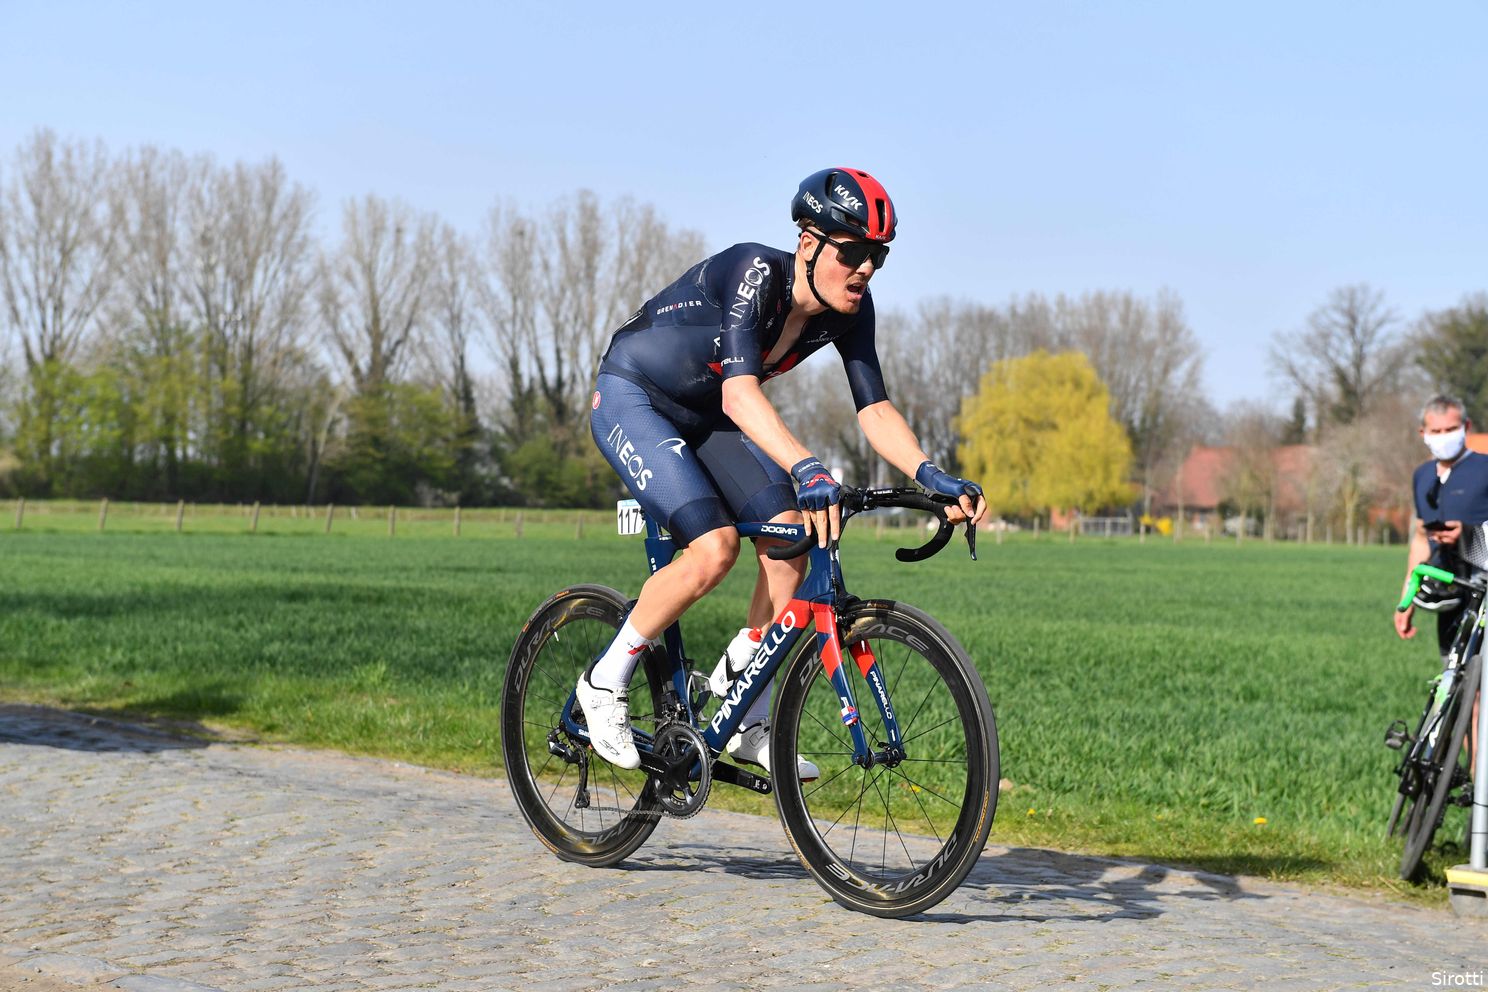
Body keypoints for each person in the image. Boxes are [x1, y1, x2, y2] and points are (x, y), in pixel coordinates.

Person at [579, 167, 988, 777]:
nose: (866, 269)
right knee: (714, 549)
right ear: (808, 242)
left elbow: (874, 409)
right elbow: (741, 395)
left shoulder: (851, 311)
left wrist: (933, 475)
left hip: (704, 412)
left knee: (790, 535)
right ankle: (604, 682)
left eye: (877, 256)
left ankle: (747, 713)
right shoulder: (754, 273)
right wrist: (806, 463)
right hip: (634, 397)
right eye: (852, 252)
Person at [1395, 395, 1485, 772]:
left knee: (1479, 695)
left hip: (1483, 592)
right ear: (1424, 434)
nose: (1445, 436)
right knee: (1455, 685)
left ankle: (1481, 792)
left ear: (1465, 428)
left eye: (1452, 429)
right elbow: (1419, 538)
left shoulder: (1484, 470)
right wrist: (1406, 600)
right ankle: (1455, 773)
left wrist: (1468, 534)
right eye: (1437, 431)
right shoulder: (1422, 477)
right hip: (1447, 594)